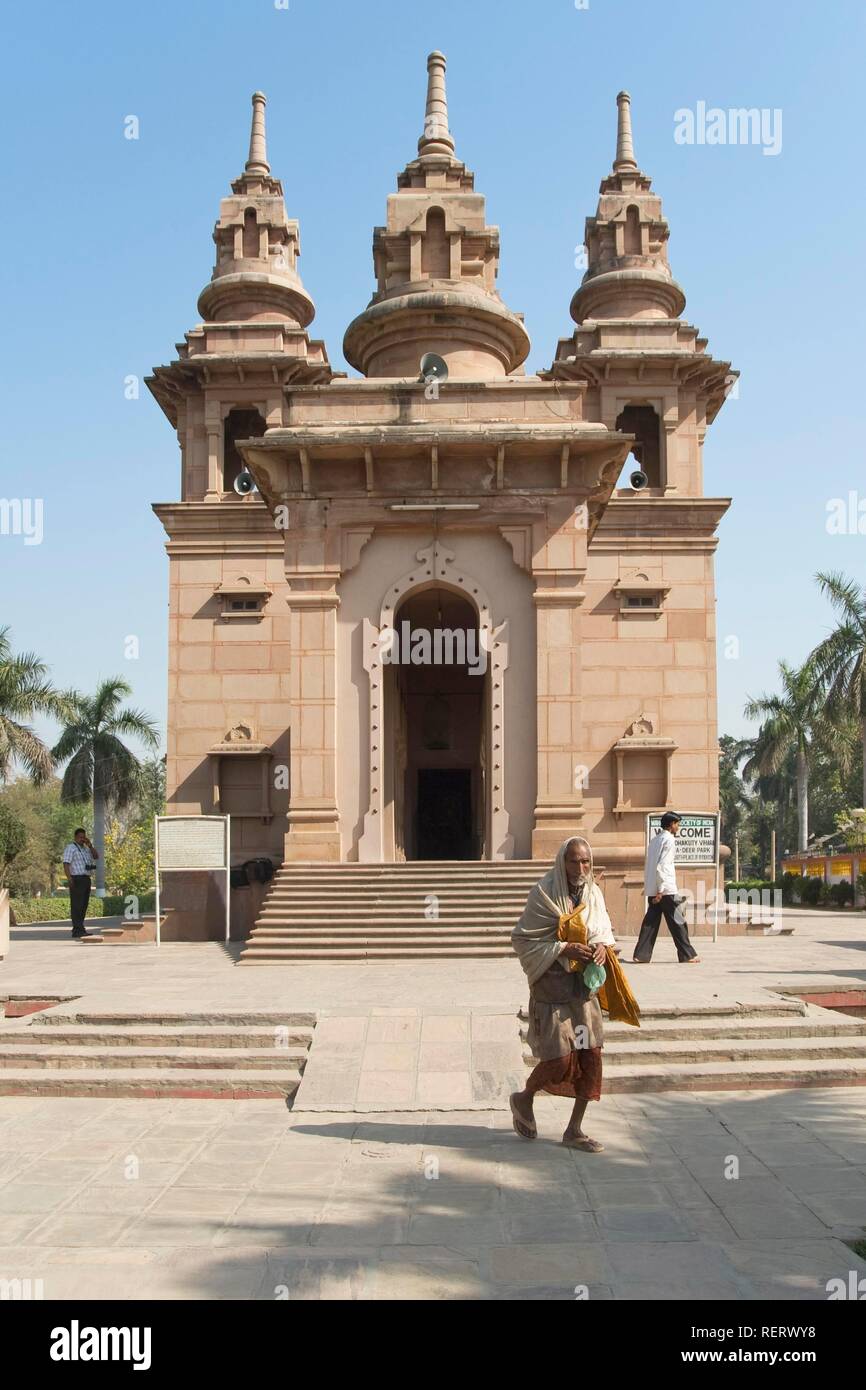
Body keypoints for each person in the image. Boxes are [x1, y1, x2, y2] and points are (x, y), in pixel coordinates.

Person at [510, 837, 639, 1152]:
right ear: (562, 862)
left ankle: (574, 1129)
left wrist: (600, 950)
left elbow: (603, 933)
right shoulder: (543, 895)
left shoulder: (593, 894)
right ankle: (524, 1098)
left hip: (583, 990)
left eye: (585, 862)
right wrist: (563, 948)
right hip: (551, 989)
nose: (580, 868)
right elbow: (522, 940)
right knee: (558, 1059)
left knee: (589, 1058)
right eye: (574, 861)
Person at [633, 812, 700, 964]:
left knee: (650, 923)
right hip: (666, 889)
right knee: (678, 921)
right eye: (677, 824)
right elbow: (663, 865)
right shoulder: (669, 840)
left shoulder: (655, 840)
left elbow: (651, 865)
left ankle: (641, 955)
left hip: (654, 887)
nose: (678, 827)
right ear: (671, 825)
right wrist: (661, 890)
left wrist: (655, 888)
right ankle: (687, 954)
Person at [62, 828, 98, 939]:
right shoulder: (71, 848)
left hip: (86, 878)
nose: (82, 839)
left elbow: (96, 856)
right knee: (77, 905)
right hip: (76, 879)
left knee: (83, 905)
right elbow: (66, 863)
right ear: (75, 837)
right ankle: (77, 929)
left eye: (84, 837)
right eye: (80, 837)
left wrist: (90, 845)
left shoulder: (86, 849)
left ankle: (80, 928)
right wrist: (69, 879)